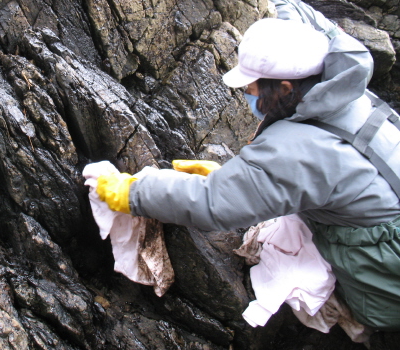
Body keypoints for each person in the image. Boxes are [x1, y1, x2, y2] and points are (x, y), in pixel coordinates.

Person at [96, 17, 400, 331]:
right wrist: (243, 179)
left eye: (252, 87)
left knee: (373, 313)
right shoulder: (340, 92)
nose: (247, 92)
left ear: (284, 88)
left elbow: (211, 204)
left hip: (387, 253)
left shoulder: (296, 149)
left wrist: (132, 193)